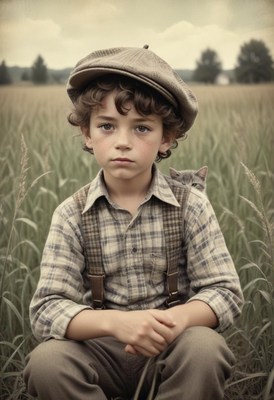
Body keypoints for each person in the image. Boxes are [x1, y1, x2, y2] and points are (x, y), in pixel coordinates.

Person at [24, 45, 243, 400]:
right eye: (107, 126)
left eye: (141, 128)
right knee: (48, 361)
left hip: (171, 349)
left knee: (205, 348)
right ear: (87, 133)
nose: (122, 142)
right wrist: (117, 323)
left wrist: (178, 321)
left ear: (166, 138)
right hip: (100, 352)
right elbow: (47, 308)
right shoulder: (71, 214)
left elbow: (225, 293)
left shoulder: (191, 206)